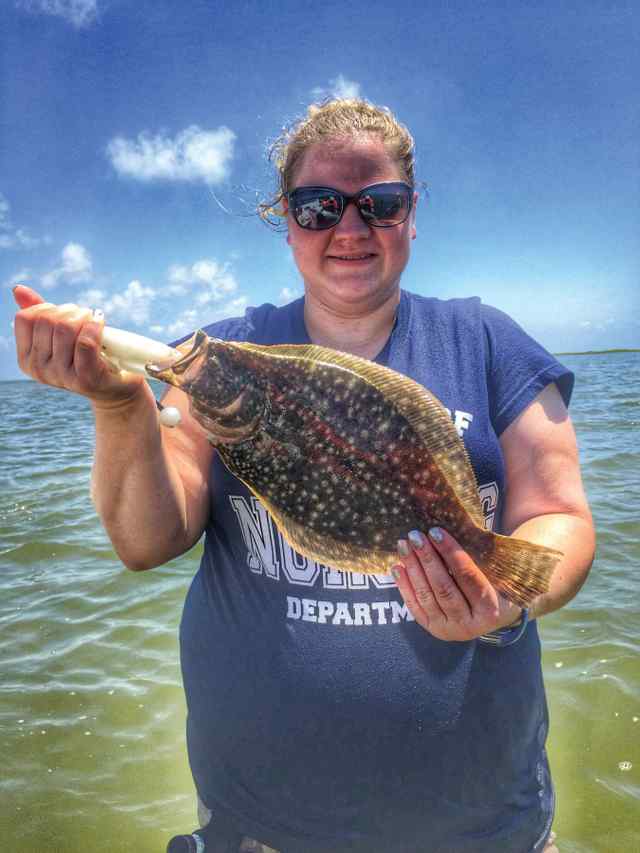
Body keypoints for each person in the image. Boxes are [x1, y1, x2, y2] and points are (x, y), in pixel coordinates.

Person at [13, 98, 595, 853]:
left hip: (485, 830)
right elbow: (147, 539)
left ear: (412, 215)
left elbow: (563, 518)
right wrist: (122, 403)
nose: (348, 229)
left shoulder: (488, 340)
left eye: (378, 205)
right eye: (317, 206)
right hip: (265, 832)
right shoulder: (223, 351)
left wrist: (506, 603)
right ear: (285, 220)